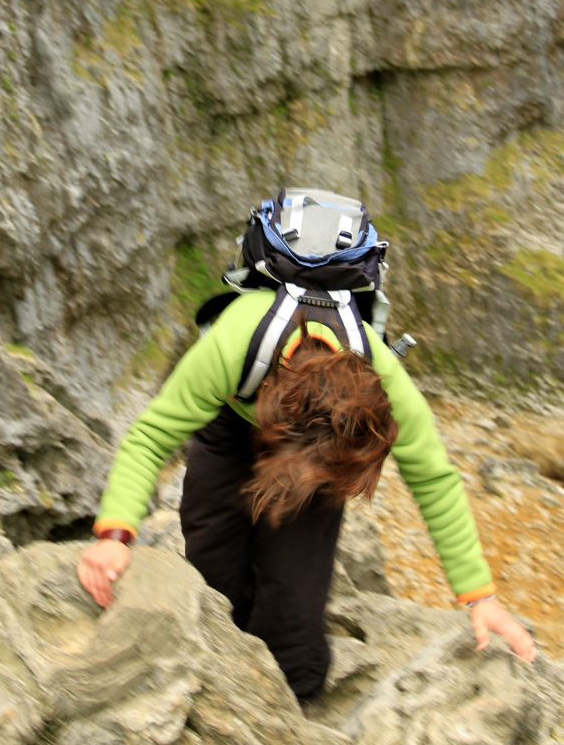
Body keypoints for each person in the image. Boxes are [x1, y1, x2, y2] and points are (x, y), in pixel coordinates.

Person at [77, 287, 537, 703]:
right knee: (213, 571)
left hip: (324, 451)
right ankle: (210, 679)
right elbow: (150, 436)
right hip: (231, 422)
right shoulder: (232, 346)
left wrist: (480, 597)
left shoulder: (387, 384)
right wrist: (115, 535)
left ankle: (291, 702)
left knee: (292, 609)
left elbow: (435, 480)